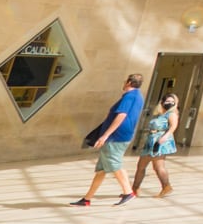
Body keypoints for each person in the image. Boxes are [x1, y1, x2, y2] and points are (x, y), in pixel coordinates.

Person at [72, 74, 144, 206]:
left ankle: (128, 192)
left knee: (114, 163)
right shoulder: (138, 96)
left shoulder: (129, 96)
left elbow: (121, 115)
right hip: (122, 135)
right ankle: (87, 199)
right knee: (102, 169)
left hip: (116, 136)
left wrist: (105, 135)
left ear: (129, 82)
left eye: (125, 81)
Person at [130, 93, 180, 197]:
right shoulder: (160, 114)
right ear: (162, 102)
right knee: (141, 166)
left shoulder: (172, 114)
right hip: (150, 141)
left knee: (158, 166)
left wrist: (164, 137)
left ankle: (166, 186)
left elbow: (173, 126)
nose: (170, 103)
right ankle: (135, 188)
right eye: (167, 101)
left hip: (160, 141)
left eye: (172, 102)